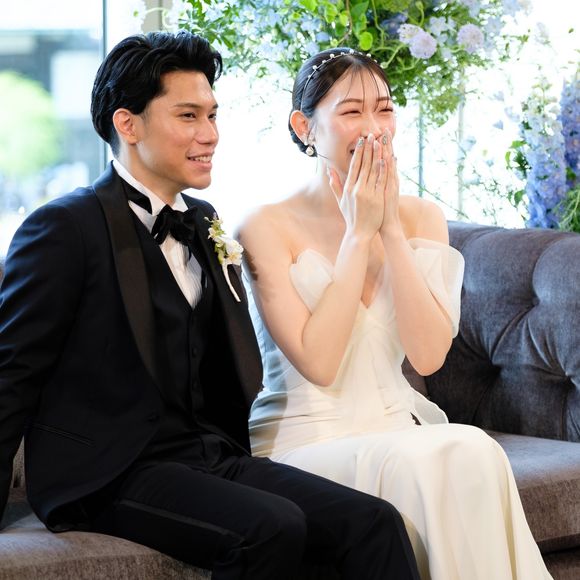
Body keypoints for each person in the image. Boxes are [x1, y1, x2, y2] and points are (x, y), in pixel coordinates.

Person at [0, 32, 422, 580]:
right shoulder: (64, 227)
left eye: (213, 115)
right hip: (106, 472)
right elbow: (13, 371)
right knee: (272, 526)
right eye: (189, 116)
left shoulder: (203, 221)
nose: (211, 134)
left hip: (208, 456)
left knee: (373, 522)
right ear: (128, 125)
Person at [239, 47, 553, 580]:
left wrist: (388, 229)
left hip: (395, 426)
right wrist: (357, 234)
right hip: (304, 441)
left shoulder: (422, 216)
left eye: (384, 109)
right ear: (304, 127)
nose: (373, 128)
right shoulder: (265, 225)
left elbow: (428, 357)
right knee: (435, 458)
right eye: (351, 111)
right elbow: (320, 363)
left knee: (472, 449)